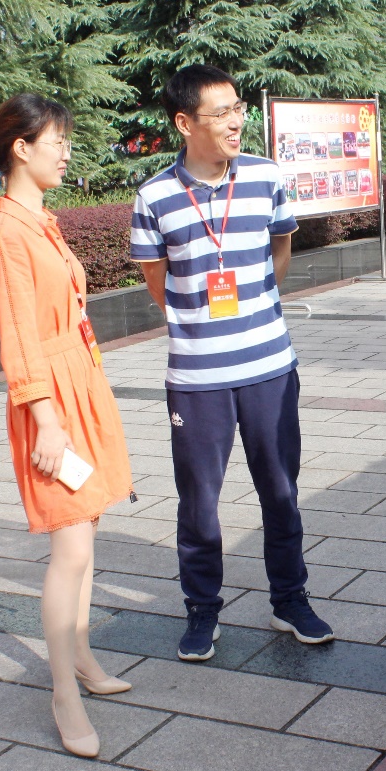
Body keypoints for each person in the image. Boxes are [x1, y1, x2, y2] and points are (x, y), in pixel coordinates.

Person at [130, 65, 334, 661]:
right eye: (220, 113)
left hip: (270, 366)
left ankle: (290, 600)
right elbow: (157, 281)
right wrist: (201, 320)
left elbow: (281, 245)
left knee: (282, 492)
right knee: (199, 502)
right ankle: (201, 609)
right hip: (198, 379)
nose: (235, 121)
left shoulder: (266, 176)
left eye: (237, 108)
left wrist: (254, 303)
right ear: (184, 122)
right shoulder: (154, 197)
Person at [0, 93, 136, 759]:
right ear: (21, 148)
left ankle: (82, 659)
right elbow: (19, 338)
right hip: (50, 400)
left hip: (78, 384)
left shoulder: (39, 222)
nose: (66, 151)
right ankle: (63, 692)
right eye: (56, 140)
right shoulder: (7, 233)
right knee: (72, 549)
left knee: (86, 531)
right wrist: (46, 421)